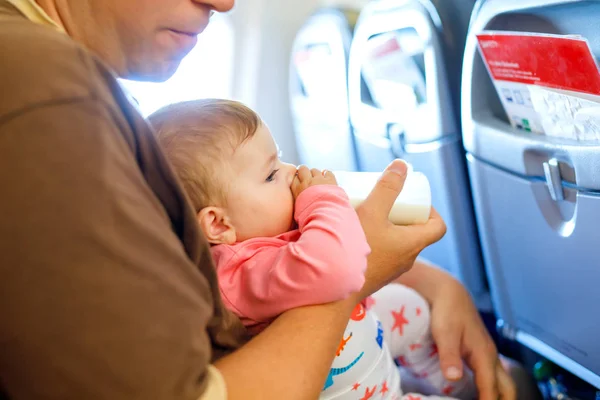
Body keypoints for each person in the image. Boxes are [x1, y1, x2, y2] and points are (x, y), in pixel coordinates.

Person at [0, 0, 516, 399]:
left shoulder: (88, 88)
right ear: (217, 221)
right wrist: (357, 270)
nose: (224, 4)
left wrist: (431, 280)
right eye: (271, 173)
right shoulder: (49, 93)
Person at [149, 98, 477, 400]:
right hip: (361, 388)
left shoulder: (261, 232)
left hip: (360, 332)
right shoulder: (238, 272)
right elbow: (335, 266)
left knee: (412, 307)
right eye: (271, 174)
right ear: (219, 225)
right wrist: (321, 199)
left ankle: (458, 382)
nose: (293, 172)